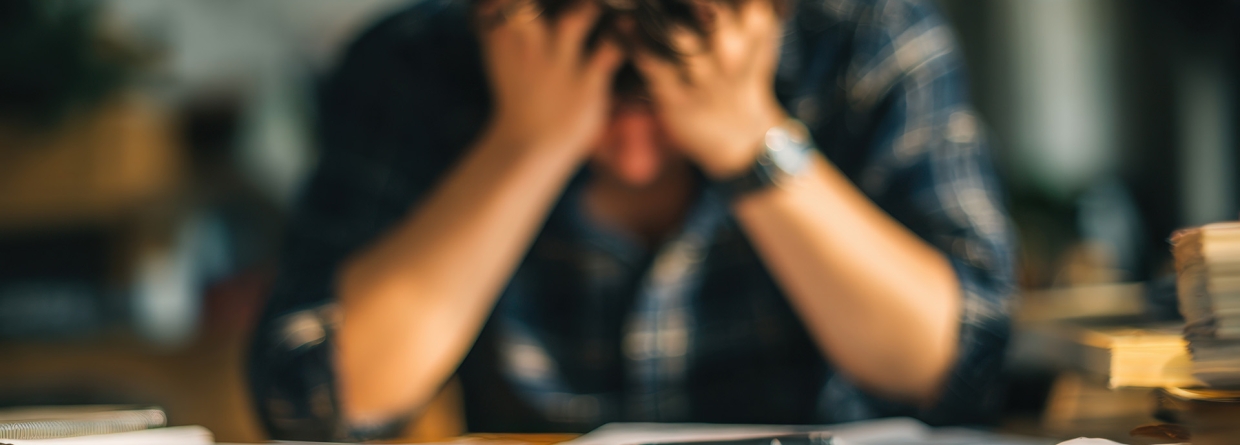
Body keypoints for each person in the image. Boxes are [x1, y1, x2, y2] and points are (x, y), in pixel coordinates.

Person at [248, 0, 1016, 440]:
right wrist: (526, 144)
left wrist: (750, 140)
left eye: (662, 91)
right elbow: (315, 402)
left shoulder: (864, 37)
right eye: (604, 92)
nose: (636, 155)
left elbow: (958, 365)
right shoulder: (415, 63)